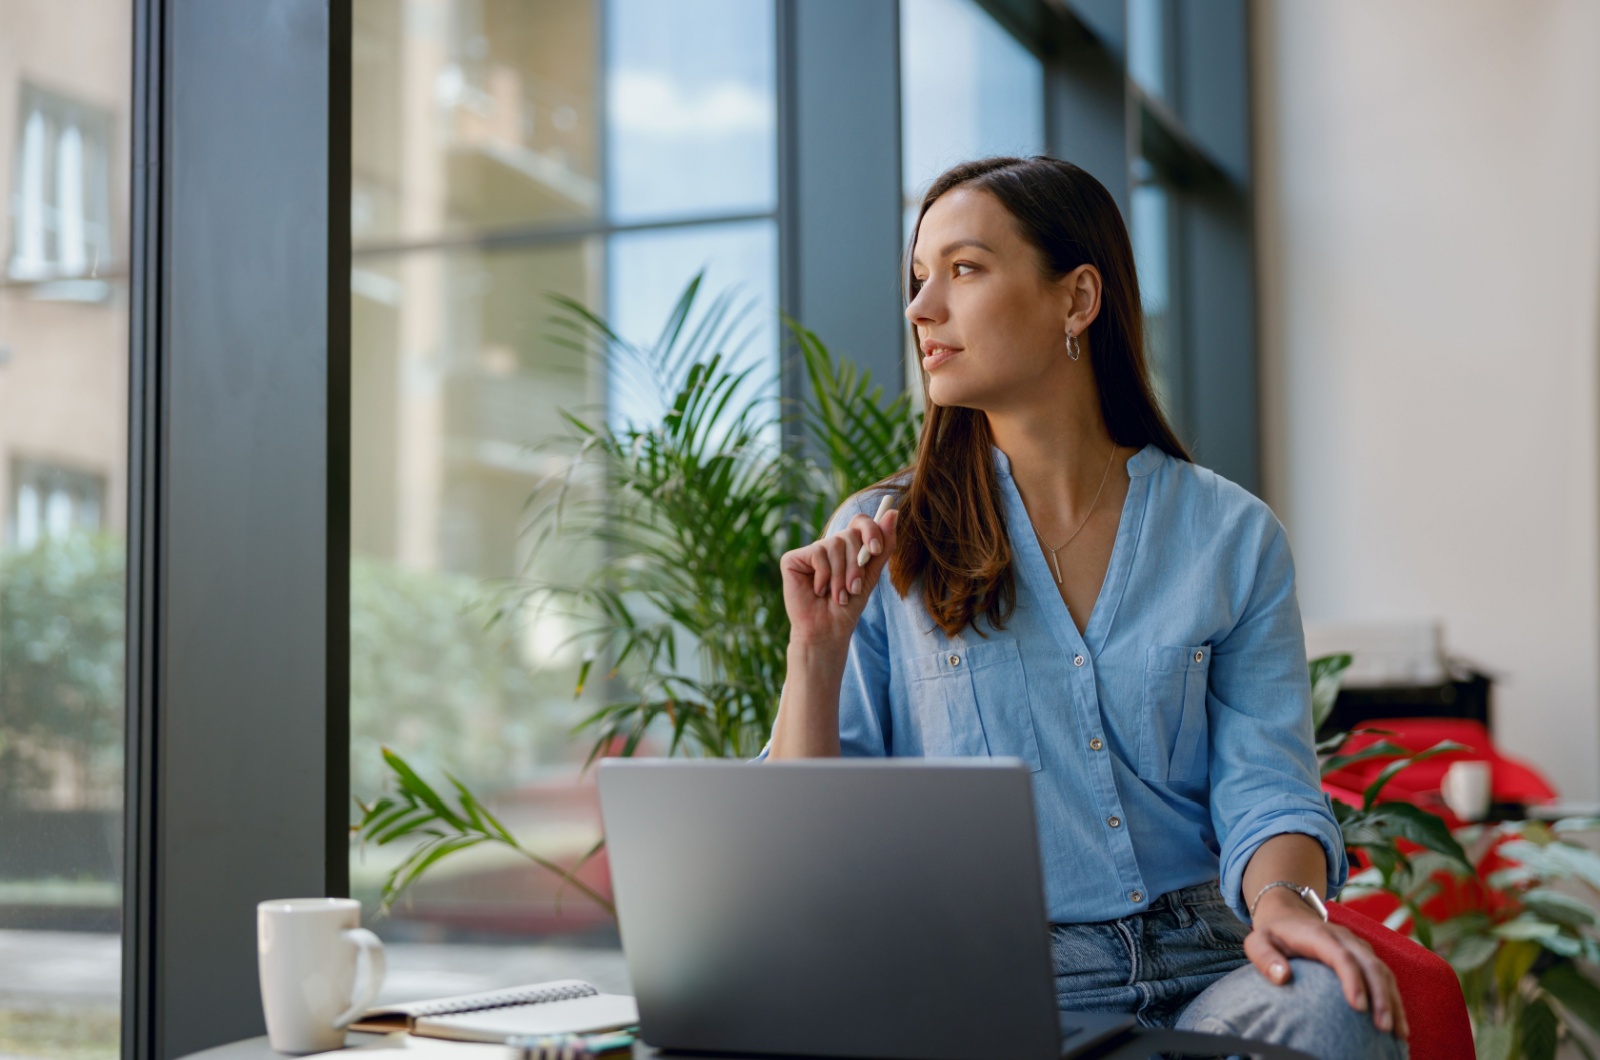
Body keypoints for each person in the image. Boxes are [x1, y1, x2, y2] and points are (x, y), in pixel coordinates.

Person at [762, 156, 1407, 1059]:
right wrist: (816, 654)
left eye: (965, 269)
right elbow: (802, 851)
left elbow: (1268, 788)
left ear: (1078, 299)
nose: (921, 310)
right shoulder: (880, 539)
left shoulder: (1230, 534)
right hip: (994, 983)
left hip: (1210, 967)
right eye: (918, 279)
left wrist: (1288, 907)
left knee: (1332, 1016)